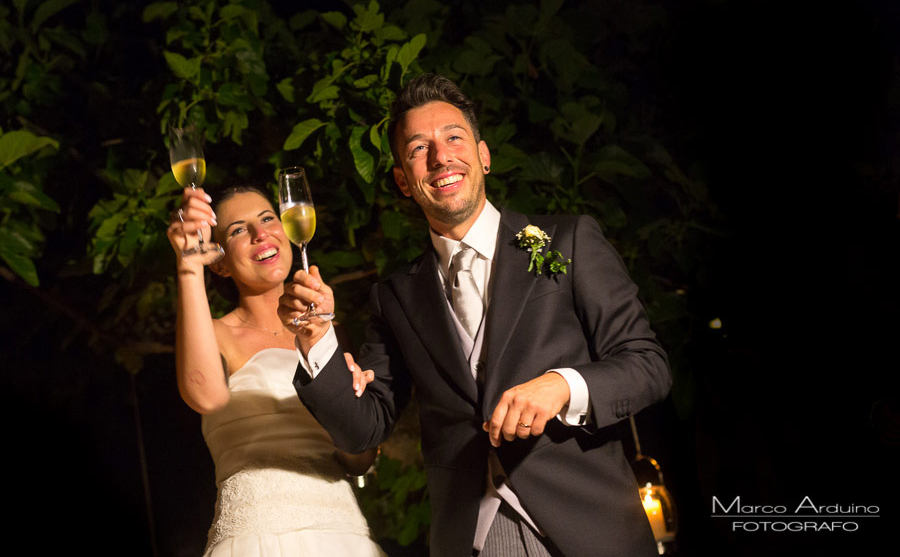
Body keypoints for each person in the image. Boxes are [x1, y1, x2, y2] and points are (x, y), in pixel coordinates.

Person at [280, 74, 672, 557]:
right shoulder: (395, 296)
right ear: (403, 179)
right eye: (419, 148)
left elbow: (647, 365)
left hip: (590, 526)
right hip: (475, 537)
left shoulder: (567, 241)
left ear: (484, 155)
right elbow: (365, 428)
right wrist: (318, 338)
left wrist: (563, 385)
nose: (441, 157)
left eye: (453, 138)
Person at [167, 185, 386, 556]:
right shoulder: (217, 334)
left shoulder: (329, 332)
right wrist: (188, 266)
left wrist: (350, 400)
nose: (260, 233)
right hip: (255, 538)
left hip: (342, 534)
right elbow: (203, 395)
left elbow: (360, 459)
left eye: (268, 218)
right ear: (219, 262)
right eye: (238, 229)